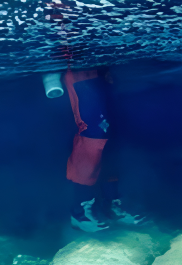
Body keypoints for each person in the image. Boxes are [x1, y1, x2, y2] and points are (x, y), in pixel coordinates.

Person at [60, 66, 145, 232]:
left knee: (110, 136)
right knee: (93, 134)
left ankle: (111, 205)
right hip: (79, 71)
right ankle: (79, 211)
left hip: (96, 67)